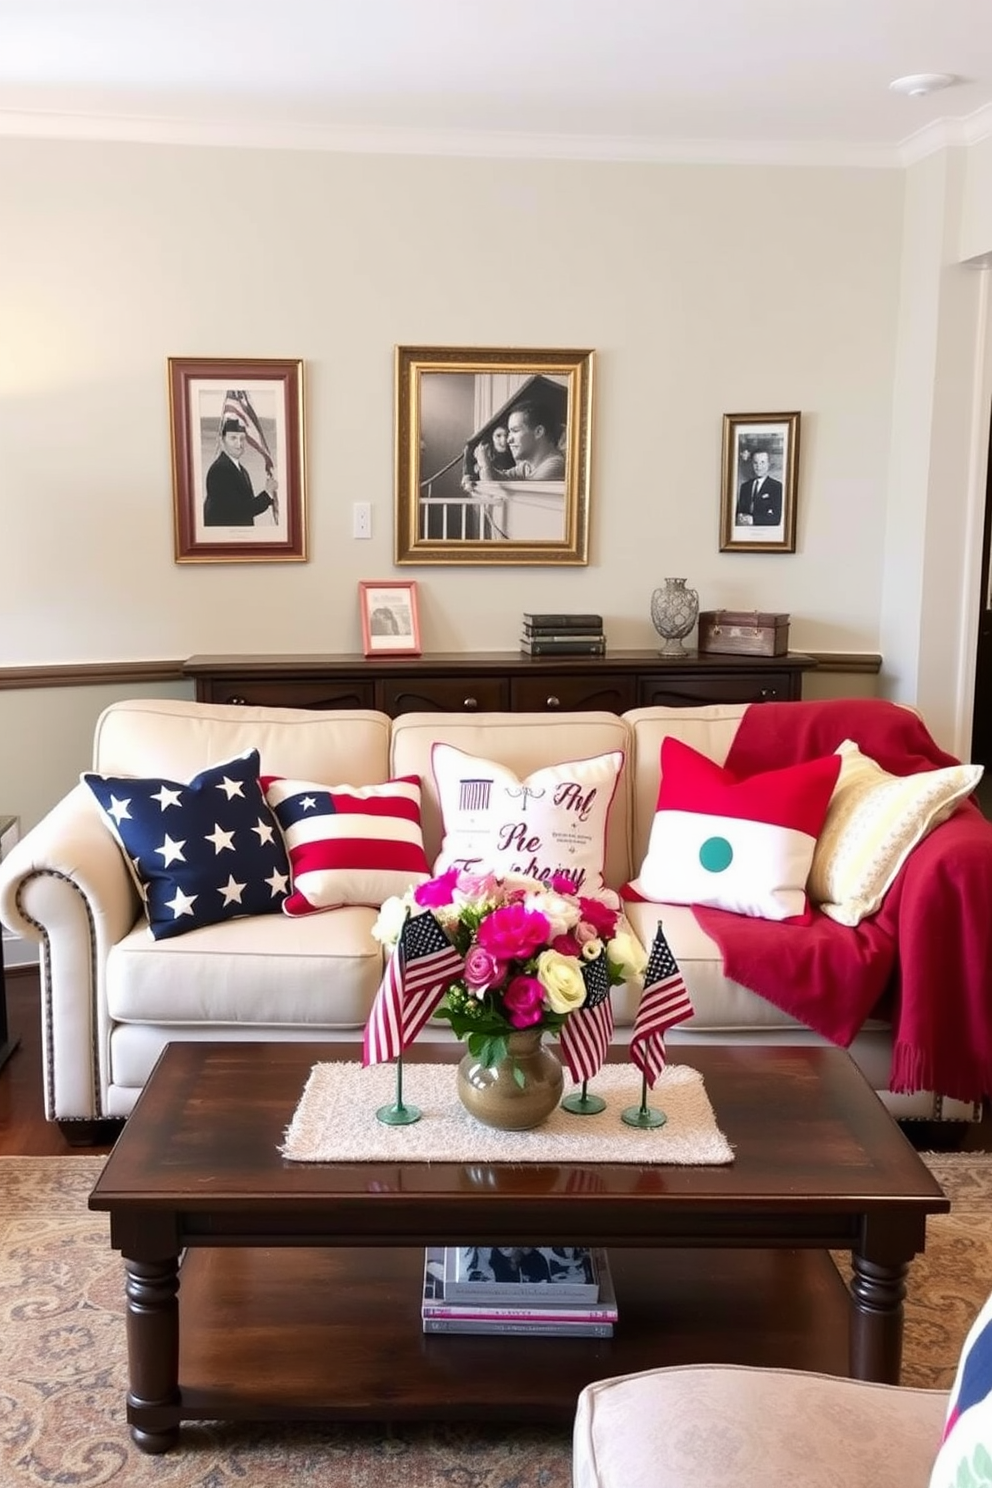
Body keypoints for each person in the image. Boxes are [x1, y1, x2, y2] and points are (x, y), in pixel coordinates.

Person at [204, 417, 279, 527]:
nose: (239, 443)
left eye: (242, 438)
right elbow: (238, 512)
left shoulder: (241, 470)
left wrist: (273, 497)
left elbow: (246, 505)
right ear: (222, 440)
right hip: (224, 538)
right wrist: (267, 494)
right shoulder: (219, 470)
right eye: (233, 438)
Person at [473, 399, 566, 482]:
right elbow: (500, 478)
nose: (508, 440)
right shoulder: (526, 466)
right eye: (510, 432)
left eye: (515, 431)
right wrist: (484, 465)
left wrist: (485, 467)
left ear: (538, 432)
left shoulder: (555, 466)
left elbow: (501, 493)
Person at [735, 449, 783, 527]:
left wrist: (753, 520)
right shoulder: (745, 487)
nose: (758, 466)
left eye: (762, 462)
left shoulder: (777, 487)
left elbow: (776, 518)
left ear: (768, 464)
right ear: (752, 464)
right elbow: (739, 513)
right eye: (755, 463)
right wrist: (740, 517)